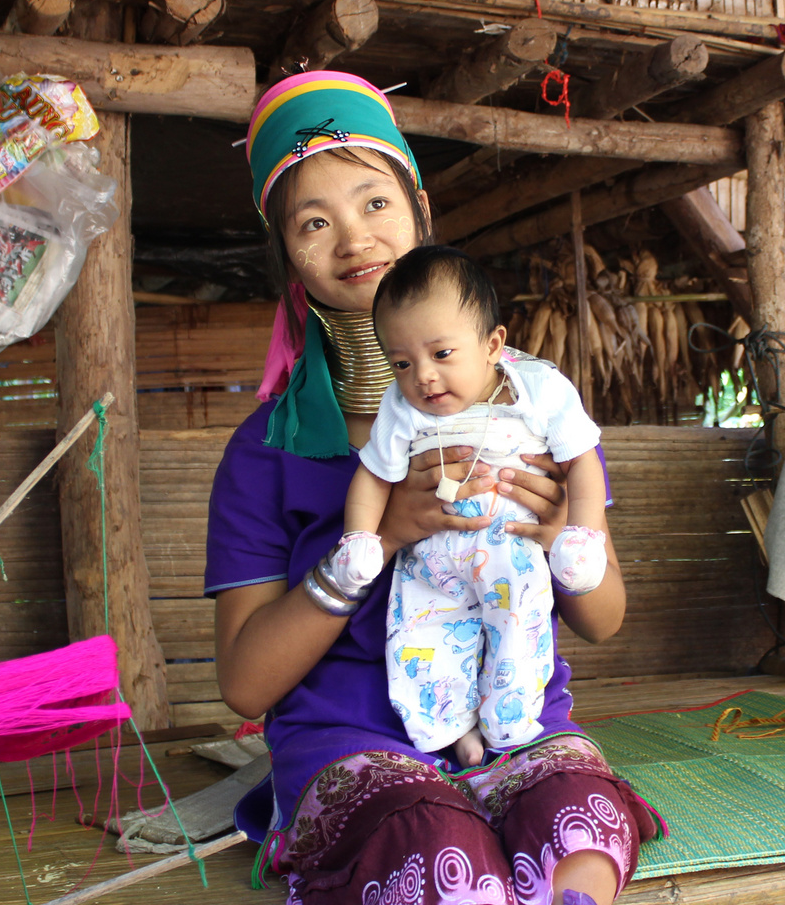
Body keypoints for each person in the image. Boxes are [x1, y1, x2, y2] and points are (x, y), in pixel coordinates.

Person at [205, 71, 661, 905]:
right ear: (287, 258)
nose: (354, 239)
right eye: (314, 222)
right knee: (437, 852)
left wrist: (562, 533)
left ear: (418, 208)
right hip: (352, 749)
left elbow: (602, 620)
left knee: (584, 825)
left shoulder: (529, 408)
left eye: (375, 203)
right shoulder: (263, 451)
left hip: (519, 727)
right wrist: (378, 544)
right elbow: (245, 686)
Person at [330, 245, 610, 769]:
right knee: (420, 638)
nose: (423, 377)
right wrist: (360, 539)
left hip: (516, 552)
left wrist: (583, 534)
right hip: (432, 563)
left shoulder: (539, 387)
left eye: (441, 355)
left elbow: (582, 462)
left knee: (517, 634)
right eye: (402, 363)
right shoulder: (400, 406)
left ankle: (508, 725)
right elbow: (372, 476)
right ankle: (450, 730)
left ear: (492, 344)